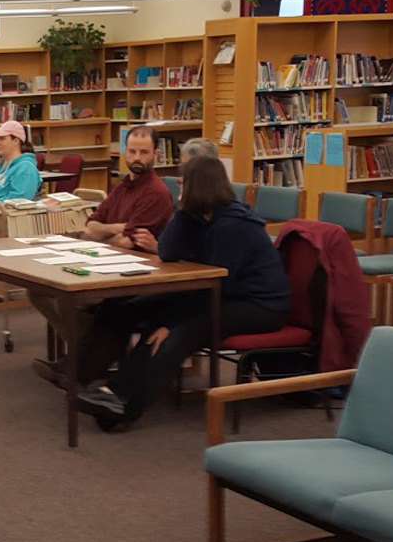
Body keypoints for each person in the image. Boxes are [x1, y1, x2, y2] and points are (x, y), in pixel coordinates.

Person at [76, 155, 290, 431]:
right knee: (150, 321)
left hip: (260, 305)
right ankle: (114, 392)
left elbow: (217, 286)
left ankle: (128, 408)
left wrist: (171, 322)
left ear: (196, 186)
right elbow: (167, 251)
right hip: (222, 294)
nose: (178, 186)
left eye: (183, 183)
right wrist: (181, 210)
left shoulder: (233, 225)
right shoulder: (200, 217)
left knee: (177, 333)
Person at [29, 126, 177, 383]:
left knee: (70, 297)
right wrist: (114, 230)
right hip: (104, 262)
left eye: (143, 152)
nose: (137, 158)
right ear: (124, 153)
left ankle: (86, 360)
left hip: (135, 275)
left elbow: (127, 242)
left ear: (155, 154)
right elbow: (89, 228)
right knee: (38, 290)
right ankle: (95, 353)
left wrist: (108, 233)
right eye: (132, 151)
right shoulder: (124, 186)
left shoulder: (155, 191)